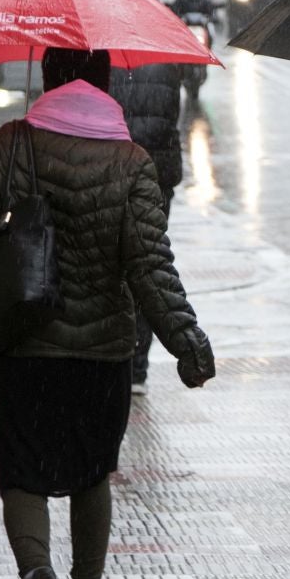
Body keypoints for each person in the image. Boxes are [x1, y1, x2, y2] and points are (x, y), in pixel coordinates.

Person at [0, 48, 214, 579]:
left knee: (24, 472)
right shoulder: (132, 162)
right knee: (92, 472)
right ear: (106, 82)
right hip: (102, 354)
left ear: (47, 78)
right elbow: (151, 265)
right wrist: (186, 341)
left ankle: (37, 574)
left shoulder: (13, 143)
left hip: (26, 347)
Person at [107, 59, 185, 395]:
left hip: (111, 171)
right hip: (155, 175)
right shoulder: (167, 58)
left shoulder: (100, 54)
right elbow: (171, 116)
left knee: (108, 267)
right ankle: (137, 367)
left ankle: (111, 355)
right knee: (145, 266)